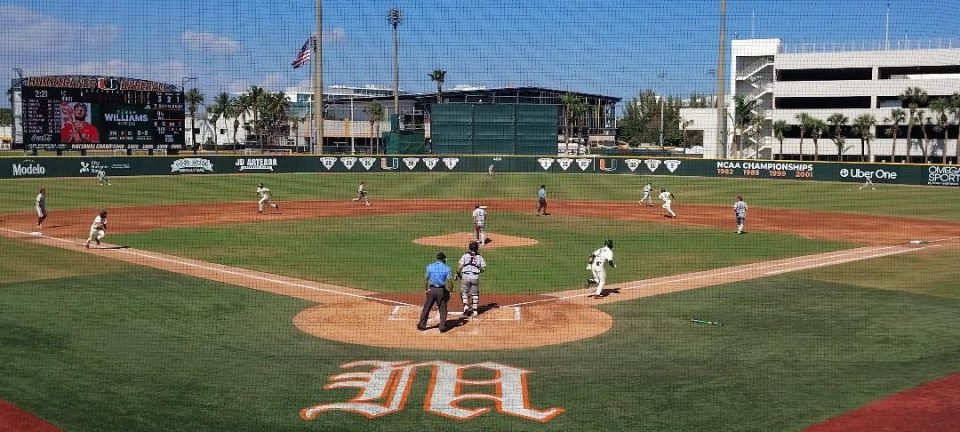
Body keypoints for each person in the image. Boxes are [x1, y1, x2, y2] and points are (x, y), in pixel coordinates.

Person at [417, 251, 453, 332]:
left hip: (431, 290)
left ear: (437, 259)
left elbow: (426, 279)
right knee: (443, 308)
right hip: (441, 290)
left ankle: (422, 325)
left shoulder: (430, 267)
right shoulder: (447, 268)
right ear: (444, 259)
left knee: (427, 307)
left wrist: (426, 289)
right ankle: (442, 326)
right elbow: (450, 281)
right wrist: (451, 291)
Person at [456, 241, 487, 317]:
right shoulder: (479, 257)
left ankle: (466, 307)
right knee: (475, 294)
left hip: (465, 277)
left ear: (469, 247)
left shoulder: (465, 255)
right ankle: (475, 311)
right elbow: (483, 269)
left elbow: (459, 267)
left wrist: (458, 274)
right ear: (477, 248)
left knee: (464, 292)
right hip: (475, 277)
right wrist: (479, 268)